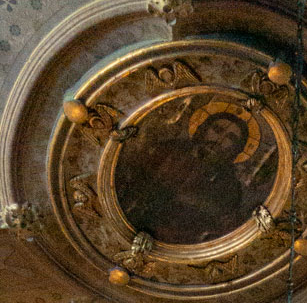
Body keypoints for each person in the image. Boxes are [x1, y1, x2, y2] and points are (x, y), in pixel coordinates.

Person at [115, 101, 269, 246]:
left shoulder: (229, 184)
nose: (220, 139)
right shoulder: (169, 149)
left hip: (175, 238)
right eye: (217, 130)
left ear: (235, 148)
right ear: (204, 128)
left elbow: (217, 221)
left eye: (230, 138)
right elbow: (133, 175)